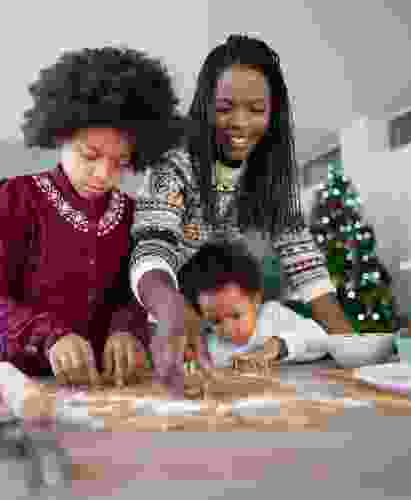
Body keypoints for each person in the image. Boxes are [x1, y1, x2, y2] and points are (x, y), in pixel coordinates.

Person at [131, 35, 353, 394]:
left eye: (256, 110)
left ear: (273, 112)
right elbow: (152, 251)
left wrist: (350, 346)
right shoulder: (174, 162)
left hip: (215, 316)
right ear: (204, 106)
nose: (240, 123)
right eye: (224, 108)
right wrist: (174, 310)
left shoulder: (273, 173)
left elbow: (305, 265)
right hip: (169, 314)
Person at [0, 46, 187, 387]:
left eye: (119, 163)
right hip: (22, 380)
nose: (103, 174)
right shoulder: (15, 198)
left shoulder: (133, 214)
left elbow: (130, 295)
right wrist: (49, 336)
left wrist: (126, 330)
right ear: (61, 134)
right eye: (90, 155)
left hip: (104, 383)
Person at [178, 241, 329, 371]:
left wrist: (278, 346)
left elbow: (321, 339)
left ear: (256, 300)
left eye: (236, 315)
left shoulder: (272, 316)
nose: (228, 329)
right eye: (215, 321)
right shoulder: (209, 345)